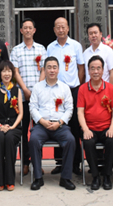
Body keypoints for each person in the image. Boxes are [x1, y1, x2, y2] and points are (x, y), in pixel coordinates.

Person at [29, 57, 76, 191]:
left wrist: (59, 122)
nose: (52, 70)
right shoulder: (37, 87)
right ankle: (38, 178)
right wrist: (42, 121)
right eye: (49, 67)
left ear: (58, 69)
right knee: (33, 140)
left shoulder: (64, 88)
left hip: (59, 125)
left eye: (54, 67)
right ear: (44, 69)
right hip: (41, 125)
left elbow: (69, 109)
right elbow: (33, 107)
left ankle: (65, 178)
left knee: (70, 140)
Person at [46, 16, 84, 175]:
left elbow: (81, 68)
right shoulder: (50, 47)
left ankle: (75, 163)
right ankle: (59, 162)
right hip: (55, 91)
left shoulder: (76, 46)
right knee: (56, 122)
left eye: (63, 27)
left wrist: (78, 86)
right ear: (54, 30)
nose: (61, 30)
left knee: (74, 126)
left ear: (68, 28)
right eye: (58, 27)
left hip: (73, 90)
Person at [10, 17, 47, 176]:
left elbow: (44, 70)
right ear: (21, 31)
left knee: (39, 131)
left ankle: (38, 162)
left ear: (34, 30)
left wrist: (37, 90)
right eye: (24, 28)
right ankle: (25, 162)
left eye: (30, 28)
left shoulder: (41, 49)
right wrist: (25, 89)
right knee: (23, 131)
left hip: (39, 97)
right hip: (22, 96)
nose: (27, 30)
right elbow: (15, 72)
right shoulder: (16, 50)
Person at [77, 55, 113, 191]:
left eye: (98, 68)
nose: (95, 71)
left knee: (112, 141)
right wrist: (85, 129)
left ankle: (107, 175)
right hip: (90, 128)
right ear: (88, 71)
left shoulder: (110, 88)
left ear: (103, 70)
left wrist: (112, 128)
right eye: (92, 68)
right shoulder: (83, 89)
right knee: (88, 142)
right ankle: (95, 176)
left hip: (106, 127)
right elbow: (80, 112)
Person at [0, 60, 24, 191]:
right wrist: (0, 126)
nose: (7, 74)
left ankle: (10, 180)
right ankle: (0, 180)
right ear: (0, 73)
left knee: (9, 138)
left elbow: (21, 113)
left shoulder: (17, 90)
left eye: (9, 71)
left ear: (12, 73)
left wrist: (13, 126)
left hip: (14, 126)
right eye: (4, 71)